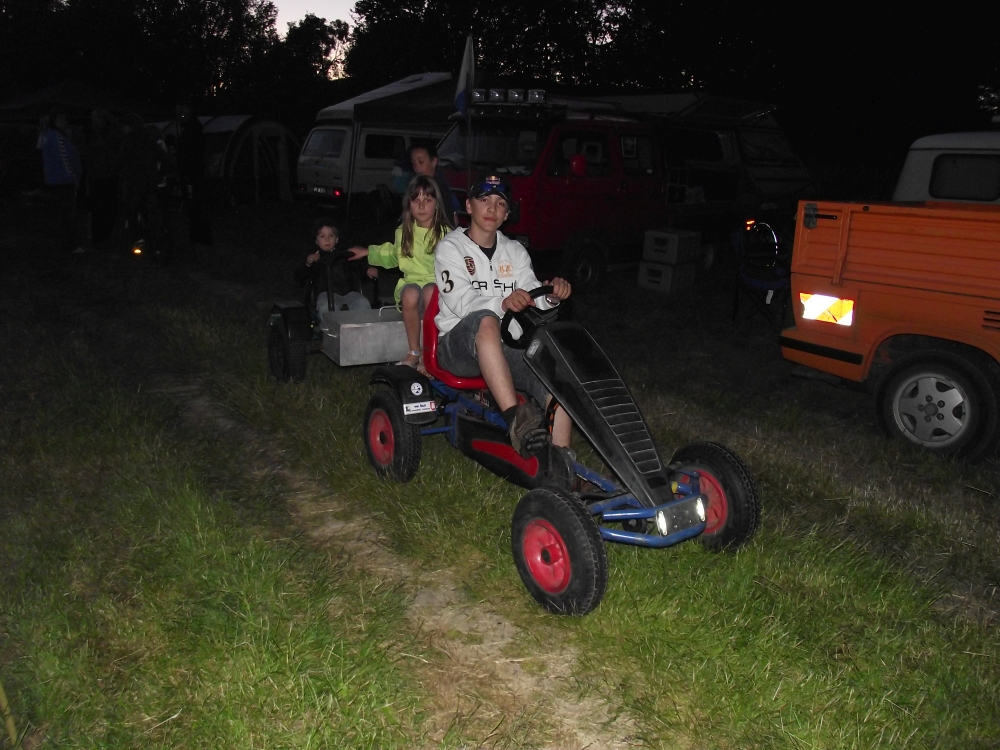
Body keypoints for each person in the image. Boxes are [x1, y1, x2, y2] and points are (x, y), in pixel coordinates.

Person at [434, 175, 573, 457]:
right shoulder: (451, 247)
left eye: (500, 203)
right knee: (486, 321)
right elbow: (463, 303)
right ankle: (516, 420)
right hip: (458, 347)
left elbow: (532, 293)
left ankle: (561, 464)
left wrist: (551, 295)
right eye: (484, 200)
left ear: (507, 214)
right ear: (469, 206)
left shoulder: (514, 251)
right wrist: (504, 303)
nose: (492, 208)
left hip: (506, 346)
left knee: (556, 381)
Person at [348, 175, 451, 371]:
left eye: (427, 200)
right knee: (410, 293)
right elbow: (392, 254)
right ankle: (414, 351)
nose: (421, 205)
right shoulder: (404, 232)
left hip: (437, 287)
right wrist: (368, 252)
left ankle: (429, 355)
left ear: (437, 204)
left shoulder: (446, 234)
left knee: (430, 291)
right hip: (411, 285)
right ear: (409, 205)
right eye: (416, 200)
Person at [295, 219, 371, 318]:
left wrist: (367, 270)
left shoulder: (345, 255)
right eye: (322, 236)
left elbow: (358, 267)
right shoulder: (315, 257)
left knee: (363, 302)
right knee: (326, 308)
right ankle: (328, 327)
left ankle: (363, 327)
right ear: (316, 241)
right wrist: (307, 264)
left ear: (337, 239)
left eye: (331, 236)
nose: (327, 240)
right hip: (325, 294)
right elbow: (299, 277)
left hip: (349, 293)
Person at [37, 109, 83, 253]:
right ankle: (69, 245)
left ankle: (60, 244)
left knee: (60, 214)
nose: (64, 122)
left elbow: (40, 149)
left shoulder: (49, 135)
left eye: (65, 119)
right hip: (63, 181)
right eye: (60, 119)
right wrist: (75, 178)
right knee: (67, 216)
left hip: (56, 181)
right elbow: (66, 160)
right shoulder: (56, 137)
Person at [410, 143, 459, 226]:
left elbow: (450, 218)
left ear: (434, 161)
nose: (416, 167)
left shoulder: (440, 188)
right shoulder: (415, 185)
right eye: (413, 163)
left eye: (421, 162)